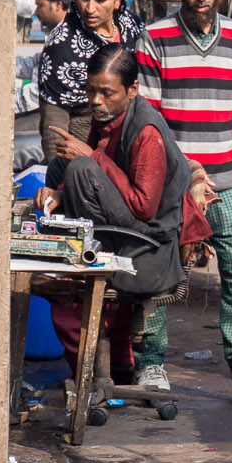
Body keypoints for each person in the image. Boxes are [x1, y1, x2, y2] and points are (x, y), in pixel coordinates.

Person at [134, 0, 232, 400]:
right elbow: (149, 122)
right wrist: (187, 172)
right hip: (170, 183)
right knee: (155, 266)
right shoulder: (154, 39)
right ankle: (150, 362)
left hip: (227, 182)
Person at [37, 45, 209, 363]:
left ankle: (83, 258)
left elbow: (143, 206)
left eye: (107, 93)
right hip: (125, 223)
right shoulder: (107, 118)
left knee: (81, 166)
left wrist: (91, 158)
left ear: (132, 90)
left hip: (148, 246)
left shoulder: (147, 133)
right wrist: (58, 192)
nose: (96, 101)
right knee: (63, 165)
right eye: (91, 91)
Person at [38, 0, 145, 154]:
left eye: (100, 0)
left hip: (131, 144)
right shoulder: (61, 45)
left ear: (117, 1)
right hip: (86, 148)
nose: (90, 8)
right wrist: (62, 176)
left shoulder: (133, 28)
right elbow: (53, 125)